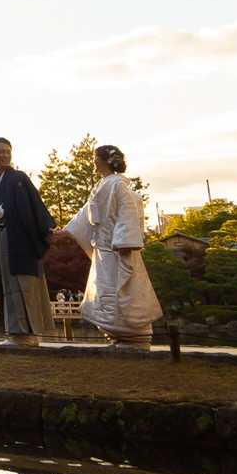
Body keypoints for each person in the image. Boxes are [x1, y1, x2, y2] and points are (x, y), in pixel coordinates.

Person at [64, 143, 163, 347]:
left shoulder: (117, 185)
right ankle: (116, 337)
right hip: (103, 251)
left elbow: (127, 211)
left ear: (103, 160)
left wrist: (126, 242)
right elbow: (83, 216)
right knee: (106, 293)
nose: (93, 162)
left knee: (123, 292)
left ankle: (132, 337)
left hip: (117, 249)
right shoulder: (102, 185)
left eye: (95, 157)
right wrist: (63, 232)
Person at [0, 137, 57, 347]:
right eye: (1, 151)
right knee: (8, 286)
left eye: (9, 151)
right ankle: (14, 333)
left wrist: (48, 228)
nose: (6, 155)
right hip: (0, 237)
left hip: (22, 239)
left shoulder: (19, 178)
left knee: (25, 283)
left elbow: (36, 205)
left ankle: (28, 334)